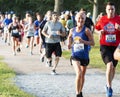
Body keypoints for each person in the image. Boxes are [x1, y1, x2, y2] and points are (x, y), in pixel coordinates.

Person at [95, 2, 120, 97]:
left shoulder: (119, 19)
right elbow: (95, 29)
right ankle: (109, 87)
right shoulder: (102, 19)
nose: (110, 11)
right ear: (106, 10)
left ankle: (107, 83)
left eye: (112, 9)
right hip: (105, 45)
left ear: (115, 10)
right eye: (109, 9)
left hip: (116, 47)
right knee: (109, 65)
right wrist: (99, 31)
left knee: (113, 67)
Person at [67, 12, 94, 97]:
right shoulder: (72, 30)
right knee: (78, 73)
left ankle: (80, 91)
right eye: (79, 18)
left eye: (82, 18)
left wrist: (83, 42)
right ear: (75, 19)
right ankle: (77, 93)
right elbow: (70, 37)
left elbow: (92, 43)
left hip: (84, 56)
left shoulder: (86, 30)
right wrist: (69, 44)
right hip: (75, 55)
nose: (80, 20)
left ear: (85, 19)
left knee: (82, 75)